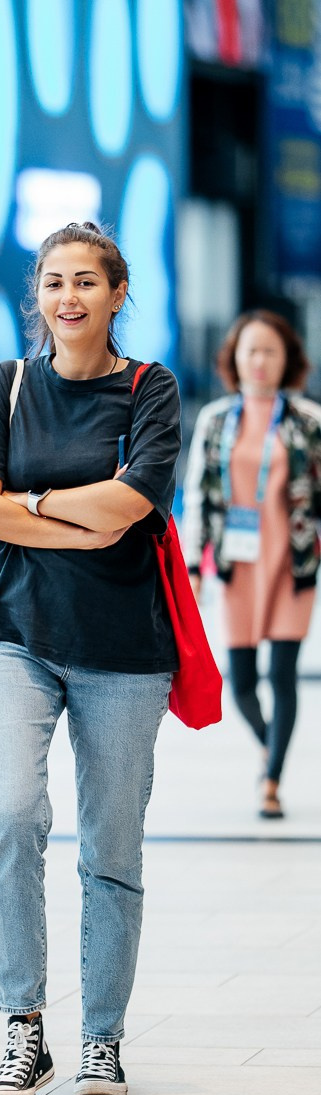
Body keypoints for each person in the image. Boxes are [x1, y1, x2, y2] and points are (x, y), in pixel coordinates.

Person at [0, 222, 181, 1095]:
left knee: (110, 847)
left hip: (124, 648)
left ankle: (101, 1039)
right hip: (11, 632)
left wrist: (31, 501)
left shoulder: (148, 388)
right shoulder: (7, 386)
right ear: (37, 295)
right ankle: (23, 1031)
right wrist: (70, 515)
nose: (69, 299)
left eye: (87, 282)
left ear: (117, 293)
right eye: (53, 282)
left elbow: (131, 505)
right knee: (9, 814)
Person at [182, 310, 321, 819]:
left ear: (287, 360)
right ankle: (270, 747)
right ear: (235, 359)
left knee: (282, 674)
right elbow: (196, 495)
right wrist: (194, 566)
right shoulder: (218, 420)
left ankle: (272, 780)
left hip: (293, 565)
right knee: (240, 682)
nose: (260, 360)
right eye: (251, 351)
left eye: (270, 351)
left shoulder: (308, 420)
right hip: (237, 567)